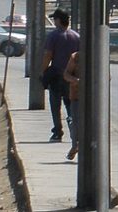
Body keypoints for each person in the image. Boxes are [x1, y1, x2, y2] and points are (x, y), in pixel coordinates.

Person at [42, 9, 79, 142]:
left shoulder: (53, 36)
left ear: (58, 20)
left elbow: (48, 55)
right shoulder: (76, 36)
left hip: (57, 75)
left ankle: (58, 131)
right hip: (72, 76)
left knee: (55, 104)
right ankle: (73, 127)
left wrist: (43, 70)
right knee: (70, 104)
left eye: (55, 19)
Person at [62, 51, 80, 160]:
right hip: (77, 96)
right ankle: (75, 146)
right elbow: (66, 74)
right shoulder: (76, 57)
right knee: (75, 123)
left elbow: (107, 77)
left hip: (94, 99)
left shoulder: (100, 56)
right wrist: (75, 80)